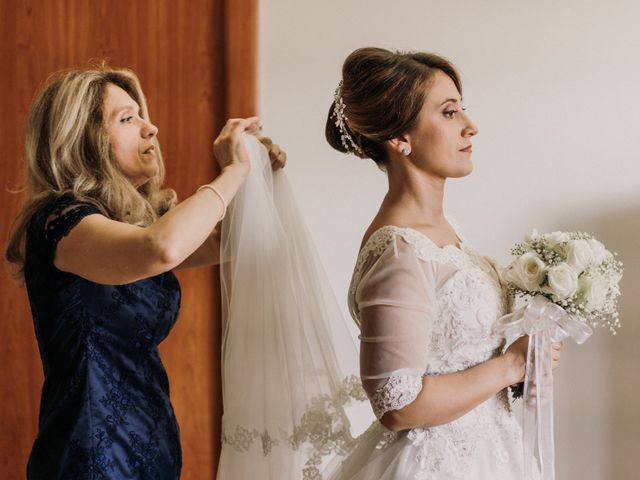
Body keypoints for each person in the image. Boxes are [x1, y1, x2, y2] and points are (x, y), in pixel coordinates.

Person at [4, 67, 285, 480]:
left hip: (151, 446)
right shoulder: (60, 222)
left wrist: (257, 175)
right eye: (127, 118)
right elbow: (162, 247)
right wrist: (231, 174)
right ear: (83, 139)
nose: (150, 128)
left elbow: (225, 241)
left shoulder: (132, 225)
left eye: (141, 115)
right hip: (91, 458)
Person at [323, 47, 563, 479]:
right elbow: (399, 405)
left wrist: (527, 358)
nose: (471, 126)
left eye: (461, 110)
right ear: (400, 138)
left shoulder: (446, 229)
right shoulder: (399, 250)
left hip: (489, 453)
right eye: (449, 113)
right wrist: (510, 365)